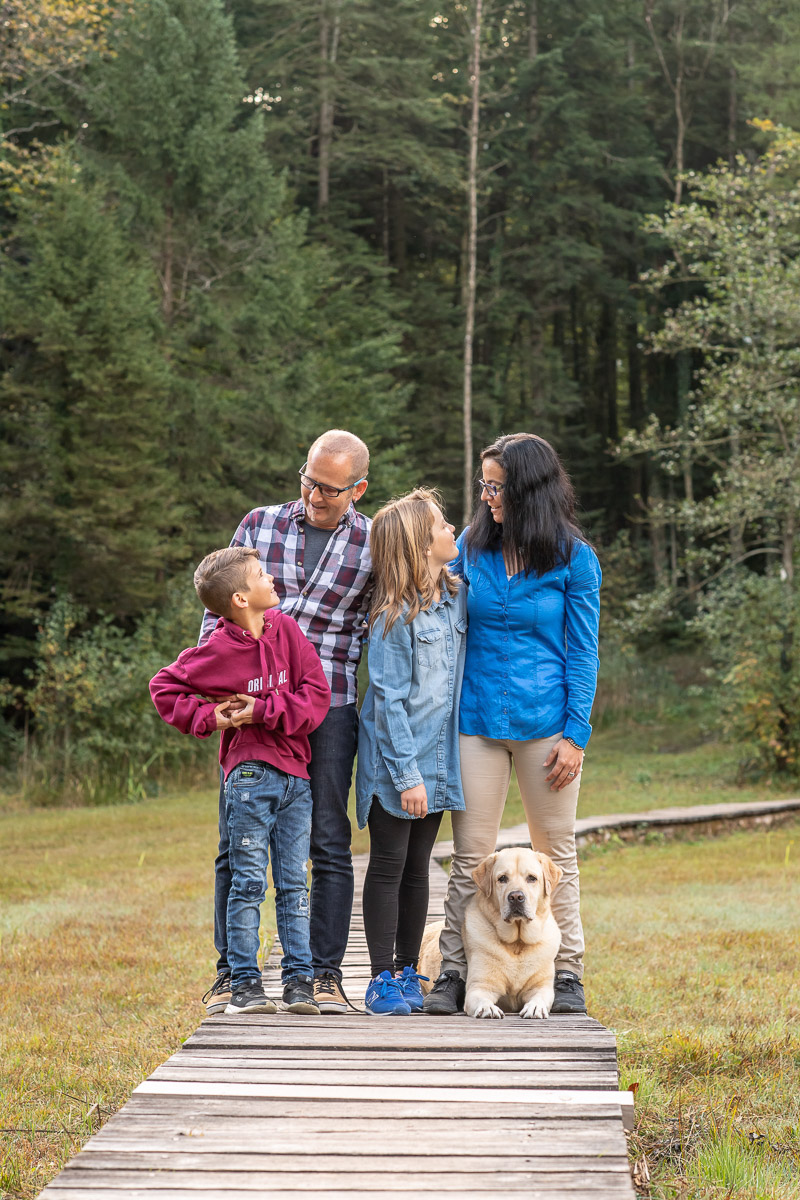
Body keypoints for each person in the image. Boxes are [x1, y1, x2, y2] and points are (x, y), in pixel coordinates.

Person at [424, 432, 601, 1017]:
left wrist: (577, 734)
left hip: (547, 726)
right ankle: (453, 971)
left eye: (496, 486)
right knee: (471, 855)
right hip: (475, 721)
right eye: (484, 485)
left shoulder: (575, 558)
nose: (486, 495)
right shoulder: (470, 550)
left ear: (527, 489)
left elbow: (583, 652)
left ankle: (567, 971)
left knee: (557, 852)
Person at [199, 430, 372, 1016]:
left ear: (358, 489)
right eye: (308, 479)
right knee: (236, 842)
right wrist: (212, 695)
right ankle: (232, 974)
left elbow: (388, 617)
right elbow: (216, 611)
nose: (313, 495)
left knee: (327, 839)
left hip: (329, 704)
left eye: (328, 489)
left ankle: (321, 975)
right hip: (249, 706)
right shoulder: (258, 524)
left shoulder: (373, 543)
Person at [150, 547, 331, 1015]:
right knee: (248, 881)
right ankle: (246, 984)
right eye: (259, 574)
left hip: (296, 777)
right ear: (239, 598)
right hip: (248, 775)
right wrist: (211, 717)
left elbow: (317, 696)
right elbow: (164, 687)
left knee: (294, 883)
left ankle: (299, 983)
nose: (270, 577)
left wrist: (263, 710)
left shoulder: (287, 631)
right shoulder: (216, 651)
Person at [355, 489, 467, 1015]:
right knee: (388, 865)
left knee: (420, 867)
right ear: (420, 544)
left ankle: (406, 971)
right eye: (443, 526)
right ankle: (380, 977)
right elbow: (388, 706)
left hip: (439, 762)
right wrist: (407, 776)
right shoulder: (393, 619)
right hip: (396, 765)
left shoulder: (456, 598)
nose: (453, 531)